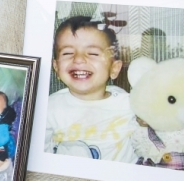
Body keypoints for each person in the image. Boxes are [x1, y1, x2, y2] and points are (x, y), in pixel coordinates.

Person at [45, 16, 138, 163]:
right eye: (68, 53)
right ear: (56, 67)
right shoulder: (48, 108)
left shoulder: (130, 105)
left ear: (114, 68)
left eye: (93, 53)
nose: (79, 59)